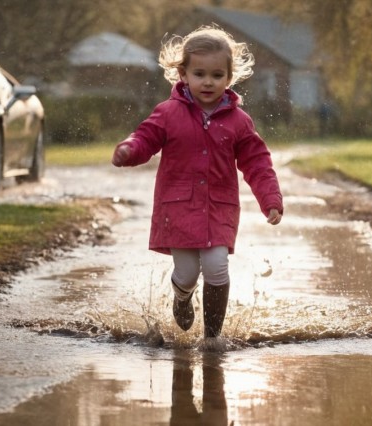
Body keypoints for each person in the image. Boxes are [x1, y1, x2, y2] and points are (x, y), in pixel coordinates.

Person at [111, 26, 283, 341]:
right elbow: (145, 137)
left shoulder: (239, 122)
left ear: (229, 78)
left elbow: (257, 161)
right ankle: (182, 296)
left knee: (217, 267)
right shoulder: (167, 113)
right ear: (183, 74)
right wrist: (129, 150)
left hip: (219, 208)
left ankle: (213, 338)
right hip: (178, 207)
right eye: (199, 73)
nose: (208, 82)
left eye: (217, 75)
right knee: (188, 273)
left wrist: (270, 199)